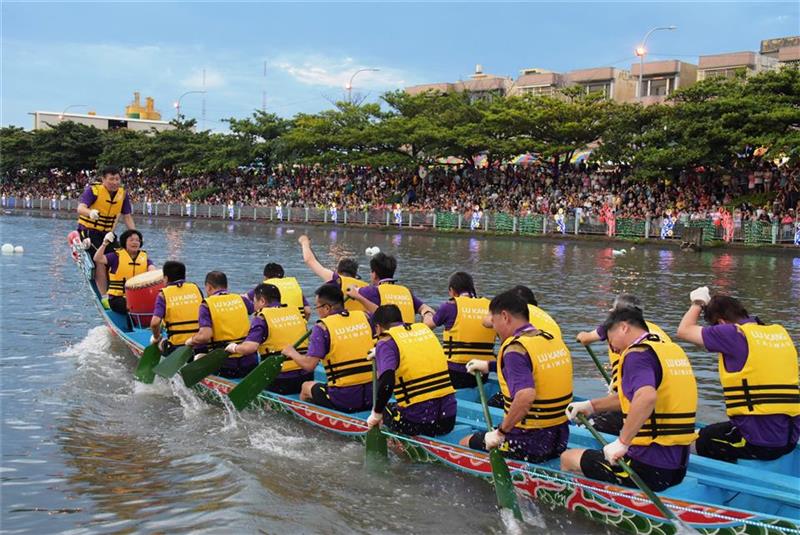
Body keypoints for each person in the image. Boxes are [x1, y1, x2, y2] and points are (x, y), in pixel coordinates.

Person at [561, 307, 697, 492]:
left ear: (624, 327)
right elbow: (631, 398)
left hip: (648, 468)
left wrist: (622, 442)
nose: (611, 348)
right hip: (678, 468)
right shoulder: (671, 350)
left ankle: (585, 508)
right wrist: (591, 406)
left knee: (568, 458)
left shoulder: (636, 354)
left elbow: (647, 397)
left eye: (609, 338)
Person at [676, 288, 799, 463]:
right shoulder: (778, 333)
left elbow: (684, 330)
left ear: (720, 322)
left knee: (699, 441)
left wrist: (698, 302)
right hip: (789, 438)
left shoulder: (733, 333)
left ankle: (720, 483)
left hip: (759, 443)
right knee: (718, 430)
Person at [460, 290, 572, 463]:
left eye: (494, 321)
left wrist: (500, 433)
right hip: (559, 437)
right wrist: (488, 366)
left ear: (504, 316)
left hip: (529, 441)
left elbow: (526, 396)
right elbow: (532, 368)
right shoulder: (550, 339)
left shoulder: (514, 349)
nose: (495, 329)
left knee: (465, 442)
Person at [575, 293, 671, 435]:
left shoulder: (613, 329)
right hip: (666, 405)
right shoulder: (657, 331)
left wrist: (581, 336)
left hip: (636, 406)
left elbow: (585, 338)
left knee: (583, 428)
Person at [281, 284, 374, 413]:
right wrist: (358, 297)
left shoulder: (322, 327)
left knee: (306, 387)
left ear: (326, 308)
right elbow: (382, 313)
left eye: (317, 307)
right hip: (372, 396)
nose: (317, 311)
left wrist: (291, 352)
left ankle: (305, 424)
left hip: (344, 400)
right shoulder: (365, 317)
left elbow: (309, 366)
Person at [367, 304, 457, 436]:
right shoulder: (423, 330)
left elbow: (387, 383)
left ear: (378, 327)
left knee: (385, 410)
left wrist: (376, 414)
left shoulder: (386, 341)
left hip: (420, 422)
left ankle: (396, 447)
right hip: (448, 419)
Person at [229, 283, 312, 395]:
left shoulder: (262, 318)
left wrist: (234, 348)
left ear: (262, 301)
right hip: (306, 376)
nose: (254, 306)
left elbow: (250, 348)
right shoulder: (296, 313)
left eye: (255, 302)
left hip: (279, 380)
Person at [423, 272, 495, 389]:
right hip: (483, 371)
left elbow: (427, 326)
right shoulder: (491, 306)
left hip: (456, 372)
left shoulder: (449, 306)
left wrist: (426, 312)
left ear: (452, 291)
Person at [187, 271, 256, 379]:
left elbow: (205, 336)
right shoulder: (241, 299)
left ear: (208, 287)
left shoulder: (206, 305)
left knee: (199, 343)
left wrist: (191, 341)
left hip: (225, 366)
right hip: (250, 364)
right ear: (227, 286)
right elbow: (255, 309)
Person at [350, 252, 434, 323]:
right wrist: (427, 314)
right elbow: (426, 308)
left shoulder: (371, 291)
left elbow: (350, 289)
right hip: (406, 337)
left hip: (386, 339)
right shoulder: (406, 292)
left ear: (374, 274)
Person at [297, 235, 367, 312]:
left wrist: (304, 242)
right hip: (360, 323)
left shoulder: (335, 278)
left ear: (338, 271)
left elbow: (309, 260)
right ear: (355, 274)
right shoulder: (366, 287)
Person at [93, 229, 155, 313]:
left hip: (138, 297)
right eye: (131, 240)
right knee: (130, 305)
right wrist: (104, 244)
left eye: (137, 240)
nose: (135, 242)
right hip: (118, 298)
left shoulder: (144, 258)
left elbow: (153, 270)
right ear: (124, 242)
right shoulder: (115, 256)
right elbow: (97, 258)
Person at [150, 261, 204, 354]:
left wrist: (156, 337)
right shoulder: (196, 289)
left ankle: (161, 344)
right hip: (200, 343)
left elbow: (154, 323)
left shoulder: (163, 295)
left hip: (177, 347)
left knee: (156, 340)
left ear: (166, 278)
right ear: (184, 277)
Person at [76, 166, 135, 251]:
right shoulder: (93, 190)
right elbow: (80, 208)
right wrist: (90, 213)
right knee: (98, 254)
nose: (115, 182)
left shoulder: (123, 195)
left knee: (119, 257)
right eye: (111, 179)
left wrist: (135, 234)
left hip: (108, 234)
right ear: (103, 179)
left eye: (117, 179)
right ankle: (81, 243)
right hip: (89, 231)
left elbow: (127, 217)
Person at [247, 263, 311, 319]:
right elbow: (308, 311)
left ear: (265, 277)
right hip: (298, 327)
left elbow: (244, 299)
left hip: (275, 328)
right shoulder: (293, 286)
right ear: (282, 275)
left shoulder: (265, 287)